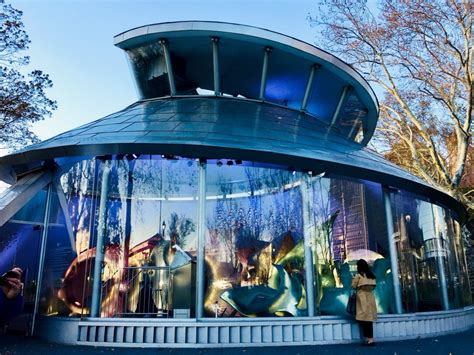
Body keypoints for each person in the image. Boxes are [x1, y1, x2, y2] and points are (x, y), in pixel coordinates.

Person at [352, 259, 377, 346]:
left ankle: (368, 339)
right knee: (369, 319)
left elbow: (353, 285)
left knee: (363, 318)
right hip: (370, 297)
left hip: (361, 297)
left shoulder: (359, 276)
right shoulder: (371, 275)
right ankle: (370, 339)